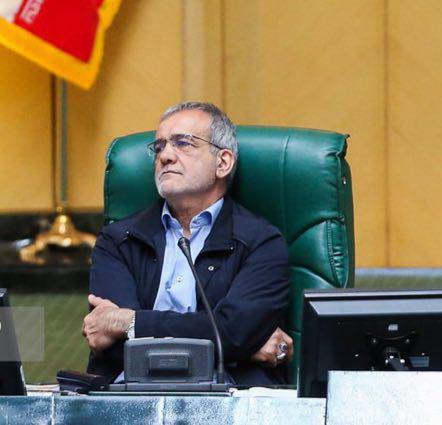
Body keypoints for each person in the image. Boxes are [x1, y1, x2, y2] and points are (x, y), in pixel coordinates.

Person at [82, 102, 293, 385]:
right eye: (159, 147)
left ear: (223, 163)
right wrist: (238, 349)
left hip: (226, 397)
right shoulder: (118, 240)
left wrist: (129, 322)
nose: (165, 156)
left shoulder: (261, 241)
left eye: (183, 143)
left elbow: (233, 331)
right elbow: (110, 344)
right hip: (130, 395)